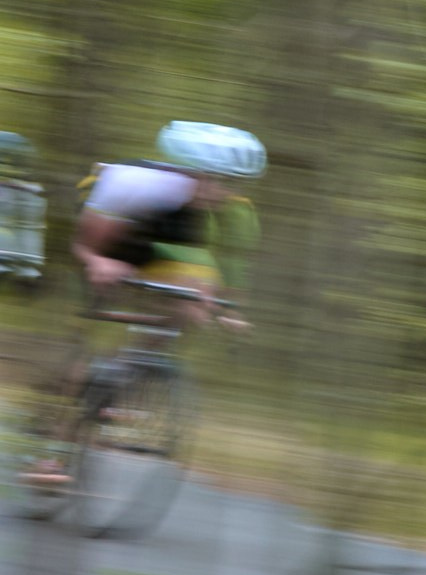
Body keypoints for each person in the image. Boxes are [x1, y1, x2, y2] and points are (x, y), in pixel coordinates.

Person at [20, 122, 263, 489]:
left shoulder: (234, 212)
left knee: (193, 306)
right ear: (189, 172)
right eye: (216, 180)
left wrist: (229, 310)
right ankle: (52, 453)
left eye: (234, 183)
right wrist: (98, 263)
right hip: (110, 233)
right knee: (92, 335)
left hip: (164, 241)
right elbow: (85, 247)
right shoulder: (133, 184)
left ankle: (130, 370)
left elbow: (228, 267)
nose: (225, 192)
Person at [0, 132, 42, 289]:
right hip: (32, 191)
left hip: (6, 190)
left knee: (2, 224)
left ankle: (3, 263)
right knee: (27, 228)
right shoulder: (25, 148)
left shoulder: (3, 147)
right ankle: (29, 269)